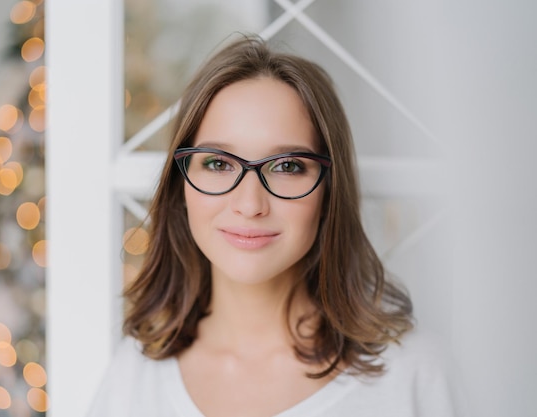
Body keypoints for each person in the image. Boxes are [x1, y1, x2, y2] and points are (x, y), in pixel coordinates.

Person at [87, 35, 467, 417]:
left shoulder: (417, 378)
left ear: (329, 193)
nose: (250, 205)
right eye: (219, 163)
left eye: (287, 166)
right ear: (180, 186)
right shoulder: (132, 379)